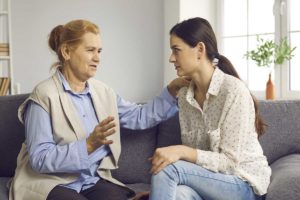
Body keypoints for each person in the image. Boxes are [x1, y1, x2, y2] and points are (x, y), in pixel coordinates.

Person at [9, 19, 189, 200]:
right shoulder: (43, 95)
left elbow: (139, 116)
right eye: (90, 50)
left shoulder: (103, 92)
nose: (98, 58)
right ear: (66, 51)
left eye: (99, 51)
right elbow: (40, 159)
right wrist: (88, 145)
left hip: (90, 180)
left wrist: (172, 90)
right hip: (50, 182)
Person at [148, 17, 271, 200]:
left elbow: (229, 163)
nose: (171, 58)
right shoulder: (184, 97)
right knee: (179, 194)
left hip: (243, 185)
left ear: (199, 50)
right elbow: (196, 163)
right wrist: (161, 191)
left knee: (168, 169)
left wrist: (181, 151)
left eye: (176, 50)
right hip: (210, 184)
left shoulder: (233, 91)